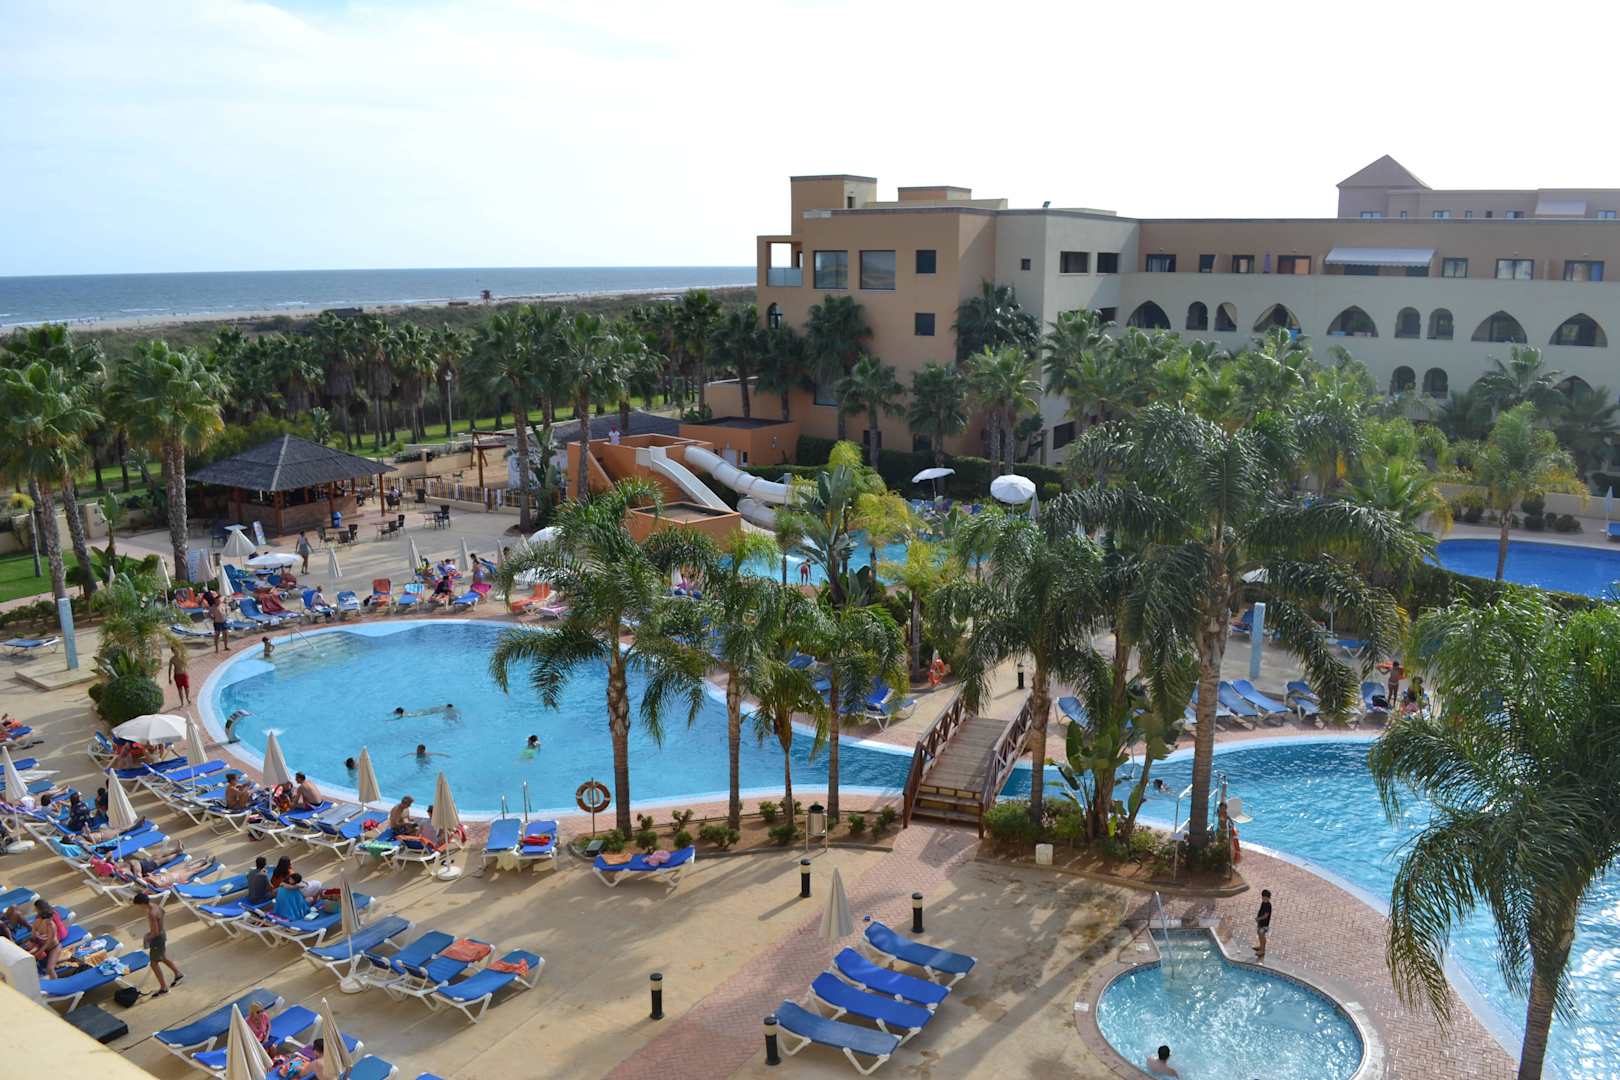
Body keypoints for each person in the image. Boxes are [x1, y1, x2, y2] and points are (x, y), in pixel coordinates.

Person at [132, 892, 183, 995]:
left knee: (154, 963)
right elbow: (163, 912)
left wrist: (147, 938)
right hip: (162, 934)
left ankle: (164, 987)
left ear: (142, 904)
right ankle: (178, 974)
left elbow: (155, 932)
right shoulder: (156, 906)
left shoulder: (151, 914)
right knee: (162, 957)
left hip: (157, 939)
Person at [204, 587, 230, 653]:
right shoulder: (213, 607)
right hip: (217, 623)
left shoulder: (223, 605)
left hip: (224, 622)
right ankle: (216, 649)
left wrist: (226, 614)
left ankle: (226, 646)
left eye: (219, 599)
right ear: (215, 600)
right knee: (217, 635)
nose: (219, 601)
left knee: (225, 634)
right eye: (217, 600)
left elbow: (227, 609)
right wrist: (212, 617)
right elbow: (208, 614)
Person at [1254, 888, 1273, 960]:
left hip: (1265, 925)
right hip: (1261, 923)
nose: (1263, 899)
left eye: (1265, 898)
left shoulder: (1268, 905)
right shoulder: (1263, 903)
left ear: (1268, 898)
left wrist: (1259, 918)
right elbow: (1261, 910)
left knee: (1262, 935)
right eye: (1263, 897)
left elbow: (1266, 915)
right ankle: (1261, 946)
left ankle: (1262, 950)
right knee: (1259, 934)